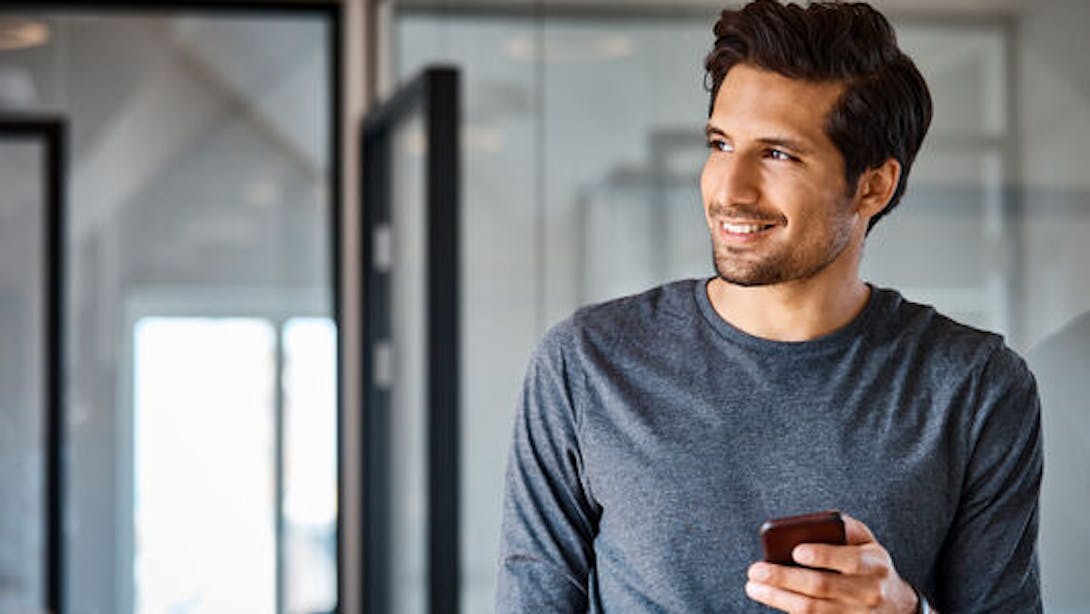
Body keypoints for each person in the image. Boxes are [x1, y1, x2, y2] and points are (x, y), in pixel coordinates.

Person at [495, 1, 1043, 612]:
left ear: (873, 185)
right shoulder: (585, 365)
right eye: (721, 144)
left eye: (778, 155)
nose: (729, 190)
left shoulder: (975, 386)